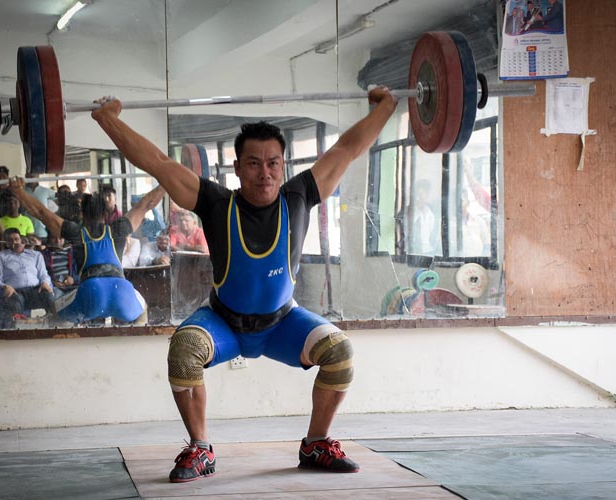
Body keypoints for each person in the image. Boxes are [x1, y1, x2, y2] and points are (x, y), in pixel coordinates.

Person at [89, 87, 396, 482]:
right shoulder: (216, 203)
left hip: (282, 325)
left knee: (339, 351)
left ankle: (316, 443)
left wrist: (385, 108)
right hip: (224, 324)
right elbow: (159, 163)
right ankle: (200, 449)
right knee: (184, 352)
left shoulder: (299, 196)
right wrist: (108, 119)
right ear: (237, 167)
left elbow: (347, 148)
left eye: (272, 163)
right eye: (253, 163)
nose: (263, 172)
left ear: (283, 166)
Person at [9, 179, 166, 325]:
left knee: (56, 312)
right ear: (105, 214)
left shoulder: (75, 232)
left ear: (82, 214)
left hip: (91, 291)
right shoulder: (119, 228)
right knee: (142, 309)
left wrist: (18, 191)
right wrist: (167, 183)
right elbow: (146, 204)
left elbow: (41, 212)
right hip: (121, 290)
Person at [0, 228, 55, 328]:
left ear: (21, 240)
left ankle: (55, 327)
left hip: (35, 290)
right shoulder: (1, 256)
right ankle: (16, 332)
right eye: (10, 240)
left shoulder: (36, 255)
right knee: (15, 302)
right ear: (7, 244)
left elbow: (44, 275)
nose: (14, 242)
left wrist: (45, 283)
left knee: (49, 297)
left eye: (16, 239)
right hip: (15, 292)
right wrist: (5, 286)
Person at [24, 172, 57, 240]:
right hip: (25, 232)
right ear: (26, 176)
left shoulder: (45, 191)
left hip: (42, 232)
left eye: (34, 175)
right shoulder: (21, 191)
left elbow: (59, 199)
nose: (32, 177)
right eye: (29, 175)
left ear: (38, 176)